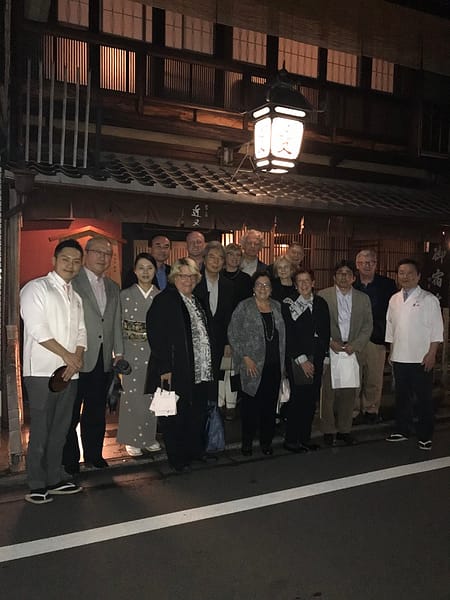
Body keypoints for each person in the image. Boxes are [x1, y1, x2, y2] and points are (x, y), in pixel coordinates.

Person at [20, 239, 87, 504]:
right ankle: (36, 483)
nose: (70, 265)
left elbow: (81, 332)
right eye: (65, 259)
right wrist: (67, 356)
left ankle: (54, 477)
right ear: (54, 260)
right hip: (42, 371)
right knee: (41, 428)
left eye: (76, 261)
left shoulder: (76, 296)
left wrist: (76, 359)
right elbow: (37, 329)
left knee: (61, 427)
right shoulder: (36, 288)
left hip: (70, 371)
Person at [145, 258, 215, 472]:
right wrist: (164, 367)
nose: (188, 280)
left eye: (192, 276)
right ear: (174, 277)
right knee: (175, 416)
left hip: (201, 368)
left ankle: (194, 451)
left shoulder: (197, 300)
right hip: (176, 369)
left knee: (196, 413)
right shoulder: (165, 300)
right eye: (183, 275)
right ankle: (177, 458)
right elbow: (156, 336)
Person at [63, 236, 124, 474]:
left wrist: (118, 353)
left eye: (107, 254)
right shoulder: (72, 281)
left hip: (102, 359)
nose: (102, 257)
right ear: (86, 254)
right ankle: (69, 459)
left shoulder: (113, 287)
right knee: (70, 412)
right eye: (97, 252)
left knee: (96, 410)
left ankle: (94, 454)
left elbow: (115, 323)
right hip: (76, 358)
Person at [385, 258, 443, 451]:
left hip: (421, 357)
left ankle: (425, 435)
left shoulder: (429, 299)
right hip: (399, 356)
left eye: (410, 273)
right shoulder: (394, 299)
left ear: (418, 276)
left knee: (423, 398)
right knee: (401, 397)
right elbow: (391, 328)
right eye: (401, 273)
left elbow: (437, 330)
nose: (405, 276)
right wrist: (391, 351)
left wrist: (432, 353)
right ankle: (402, 429)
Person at [228, 271, 285, 456]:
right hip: (251, 365)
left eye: (266, 285)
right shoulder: (244, 306)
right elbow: (233, 333)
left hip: (274, 365)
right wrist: (245, 357)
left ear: (271, 289)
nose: (263, 288)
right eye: (259, 284)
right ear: (253, 288)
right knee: (250, 407)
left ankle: (266, 442)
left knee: (269, 407)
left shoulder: (277, 306)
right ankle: (246, 443)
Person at [318, 260, 373, 446]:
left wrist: (355, 345)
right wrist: (329, 341)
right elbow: (317, 323)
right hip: (331, 349)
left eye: (347, 273)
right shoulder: (323, 295)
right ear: (334, 277)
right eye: (340, 273)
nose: (343, 276)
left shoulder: (363, 298)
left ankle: (344, 430)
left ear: (353, 278)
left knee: (349, 392)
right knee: (328, 392)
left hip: (352, 350)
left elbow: (368, 325)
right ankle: (328, 429)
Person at [117, 253, 161, 457]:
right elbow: (117, 326)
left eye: (149, 268)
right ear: (134, 271)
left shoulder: (160, 296)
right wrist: (118, 353)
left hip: (153, 352)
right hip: (130, 350)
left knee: (151, 395)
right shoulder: (124, 295)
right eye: (141, 268)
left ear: (155, 271)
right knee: (131, 396)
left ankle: (149, 437)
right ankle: (131, 438)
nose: (145, 272)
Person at [282, 269, 330, 452]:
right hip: (298, 358)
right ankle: (291, 439)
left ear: (313, 283)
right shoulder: (289, 303)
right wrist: (301, 359)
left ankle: (305, 437)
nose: (304, 284)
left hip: (317, 355)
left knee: (311, 399)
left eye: (307, 280)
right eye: (299, 281)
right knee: (298, 398)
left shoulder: (320, 303)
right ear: (295, 285)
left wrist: (326, 357)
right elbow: (289, 333)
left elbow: (325, 331)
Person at [353, 249, 397, 423]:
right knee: (353, 376)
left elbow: (393, 312)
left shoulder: (387, 285)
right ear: (357, 265)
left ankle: (371, 410)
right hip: (354, 337)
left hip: (376, 336)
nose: (367, 265)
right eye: (363, 262)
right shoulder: (351, 282)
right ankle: (353, 411)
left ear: (376, 264)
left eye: (371, 262)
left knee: (374, 377)